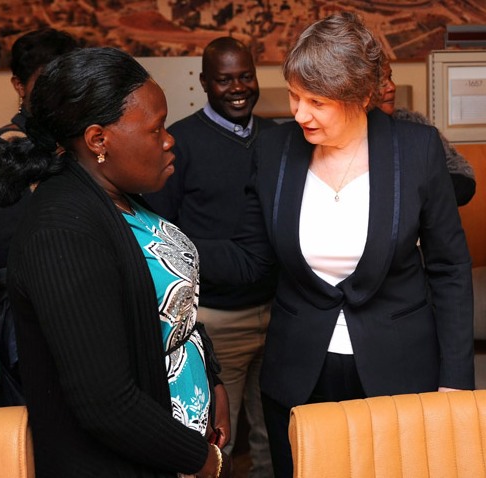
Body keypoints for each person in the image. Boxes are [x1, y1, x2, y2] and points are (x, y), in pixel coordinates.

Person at [194, 12, 474, 478]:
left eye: (317, 102)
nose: (300, 113)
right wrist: (161, 244)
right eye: (295, 95)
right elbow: (251, 257)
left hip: (400, 368)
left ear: (361, 97)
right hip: (298, 371)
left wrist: (455, 379)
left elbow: (449, 269)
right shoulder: (274, 150)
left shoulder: (417, 149)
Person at [0, 47, 231, 478]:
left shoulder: (121, 197)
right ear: (99, 140)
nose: (169, 140)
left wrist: (212, 377)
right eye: (156, 129)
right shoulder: (62, 234)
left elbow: (168, 300)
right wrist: (203, 460)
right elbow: (106, 403)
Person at [144, 36, 276, 477]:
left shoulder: (281, 138)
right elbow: (165, 237)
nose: (238, 87)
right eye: (224, 80)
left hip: (281, 311)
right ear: (204, 82)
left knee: (276, 436)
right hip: (217, 318)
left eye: (245, 76)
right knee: (217, 441)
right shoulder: (176, 143)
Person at [0, 27, 79, 268]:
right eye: (46, 82)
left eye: (67, 81)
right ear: (19, 85)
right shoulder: (4, 145)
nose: (59, 92)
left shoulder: (79, 138)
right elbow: (6, 247)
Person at [378, 60, 476, 206]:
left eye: (390, 78)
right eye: (380, 82)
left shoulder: (415, 125)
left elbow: (464, 180)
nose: (392, 87)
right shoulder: (342, 135)